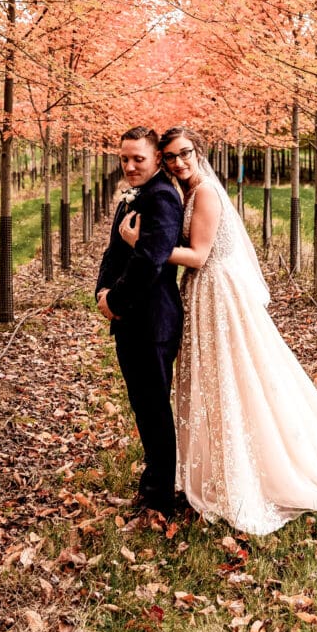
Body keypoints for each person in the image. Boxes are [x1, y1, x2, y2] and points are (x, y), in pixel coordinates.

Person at [119, 126, 317, 536]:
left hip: (217, 291)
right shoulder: (185, 191)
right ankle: (215, 467)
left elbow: (201, 255)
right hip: (201, 291)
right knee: (214, 380)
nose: (178, 162)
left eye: (184, 153)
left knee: (232, 377)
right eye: (170, 156)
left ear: (199, 151)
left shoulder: (204, 191)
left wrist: (144, 246)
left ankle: (252, 470)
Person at [96, 126, 184, 518]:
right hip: (134, 319)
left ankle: (160, 497)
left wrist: (115, 301)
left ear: (155, 159)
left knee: (153, 410)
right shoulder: (136, 192)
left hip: (152, 322)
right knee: (143, 407)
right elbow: (115, 250)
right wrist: (101, 292)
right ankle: (153, 489)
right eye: (124, 159)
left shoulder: (162, 197)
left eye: (138, 159)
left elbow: (151, 259)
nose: (130, 166)